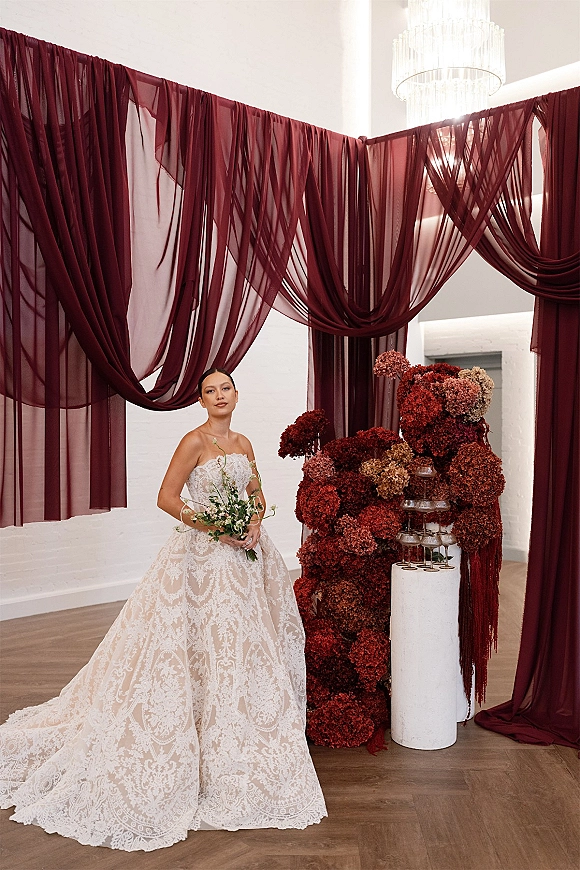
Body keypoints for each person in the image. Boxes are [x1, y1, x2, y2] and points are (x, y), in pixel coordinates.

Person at [0, 368, 327, 852]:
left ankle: (240, 727)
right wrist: (216, 527)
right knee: (199, 639)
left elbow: (256, 495)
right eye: (210, 391)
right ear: (201, 401)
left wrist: (253, 521)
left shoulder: (243, 443)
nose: (219, 396)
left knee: (246, 641)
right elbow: (166, 498)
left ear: (237, 395)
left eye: (225, 389)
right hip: (206, 556)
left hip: (248, 556)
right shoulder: (193, 442)